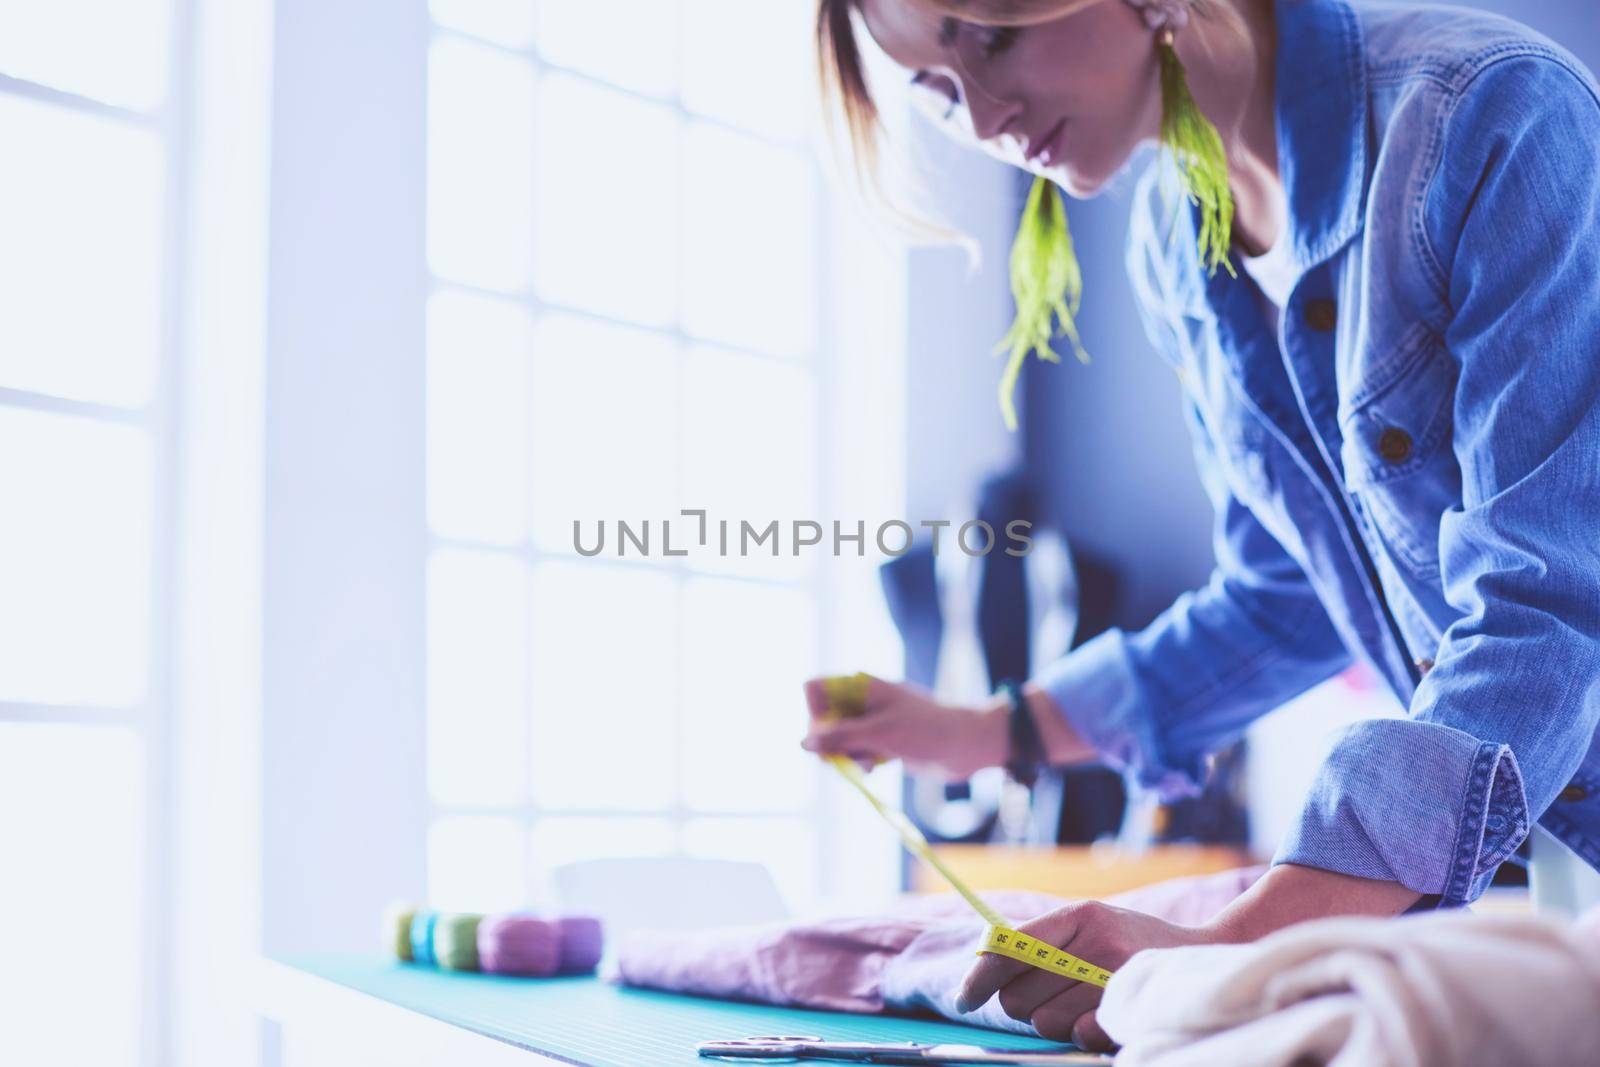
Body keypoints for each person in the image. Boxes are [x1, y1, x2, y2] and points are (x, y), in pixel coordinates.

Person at [801, 0, 1600, 1051]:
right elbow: (1282, 601)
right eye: (937, 92)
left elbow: (1551, 597)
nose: (985, 114)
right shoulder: (1178, 252)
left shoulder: (1488, 115)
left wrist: (1243, 944)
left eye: (991, 38)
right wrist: (979, 734)